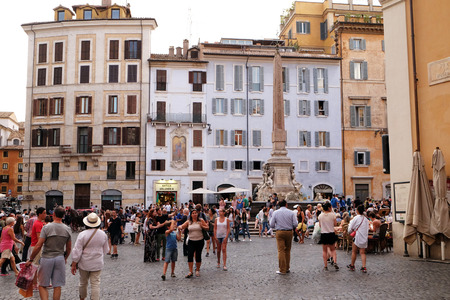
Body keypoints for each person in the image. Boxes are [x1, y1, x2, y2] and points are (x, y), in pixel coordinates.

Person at [26, 206, 72, 300]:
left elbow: (38, 245)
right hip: (59, 258)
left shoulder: (46, 227)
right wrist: (65, 258)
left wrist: (31, 259)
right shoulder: (67, 229)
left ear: (54, 214)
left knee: (42, 285)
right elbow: (69, 248)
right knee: (57, 286)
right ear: (63, 216)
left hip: (47, 257)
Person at [71, 213, 109, 300]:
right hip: (97, 262)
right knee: (95, 283)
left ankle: (82, 298)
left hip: (84, 262)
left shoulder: (82, 234)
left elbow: (77, 250)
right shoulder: (103, 234)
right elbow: (106, 250)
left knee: (83, 282)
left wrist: (74, 263)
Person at [178, 208, 209, 278]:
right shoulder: (189, 221)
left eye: (195, 213)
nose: (195, 214)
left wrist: (202, 226)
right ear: (191, 215)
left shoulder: (201, 220)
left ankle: (197, 270)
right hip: (191, 241)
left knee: (198, 255)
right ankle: (190, 271)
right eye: (193, 213)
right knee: (190, 255)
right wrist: (180, 227)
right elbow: (182, 226)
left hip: (199, 240)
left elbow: (207, 228)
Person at [269, 199, 298, 275]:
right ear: (286, 204)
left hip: (280, 232)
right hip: (289, 232)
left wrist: (278, 225)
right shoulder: (291, 213)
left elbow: (271, 225)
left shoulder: (275, 212)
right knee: (287, 250)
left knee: (281, 250)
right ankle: (287, 268)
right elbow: (295, 224)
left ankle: (282, 269)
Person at [348, 205, 370, 273]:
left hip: (357, 237)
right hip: (364, 237)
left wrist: (349, 232)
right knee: (362, 252)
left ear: (357, 211)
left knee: (354, 251)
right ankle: (364, 266)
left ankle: (352, 265)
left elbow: (350, 228)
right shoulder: (366, 219)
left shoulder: (356, 218)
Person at [318, 202, 339, 271]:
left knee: (324, 251)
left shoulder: (320, 216)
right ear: (329, 208)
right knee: (333, 249)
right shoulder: (333, 215)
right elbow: (335, 224)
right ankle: (335, 262)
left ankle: (325, 265)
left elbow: (320, 225)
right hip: (331, 233)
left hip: (324, 234)